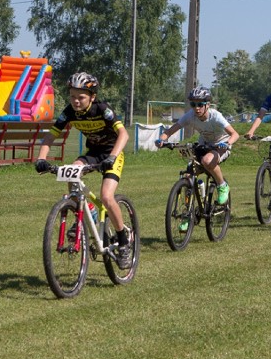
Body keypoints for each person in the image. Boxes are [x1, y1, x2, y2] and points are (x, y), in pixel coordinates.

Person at [35, 72, 133, 269]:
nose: (76, 101)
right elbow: (50, 136)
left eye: (81, 97)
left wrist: (112, 157)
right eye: (72, 96)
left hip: (112, 153)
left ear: (92, 97)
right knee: (72, 172)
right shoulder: (69, 112)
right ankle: (88, 210)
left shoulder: (102, 109)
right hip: (93, 152)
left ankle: (123, 239)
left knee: (106, 196)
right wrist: (41, 158)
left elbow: (123, 134)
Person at [157, 86, 238, 212]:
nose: (197, 108)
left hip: (221, 145)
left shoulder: (216, 116)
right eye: (193, 104)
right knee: (189, 174)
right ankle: (187, 213)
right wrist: (161, 139)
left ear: (208, 105)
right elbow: (171, 130)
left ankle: (222, 186)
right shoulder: (190, 116)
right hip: (204, 144)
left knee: (207, 161)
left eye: (200, 104)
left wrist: (227, 143)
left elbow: (235, 134)